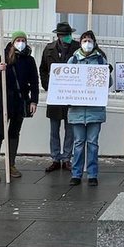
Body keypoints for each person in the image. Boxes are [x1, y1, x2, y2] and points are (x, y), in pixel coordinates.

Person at [0, 30, 40, 182]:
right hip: (3, 101)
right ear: (12, 42)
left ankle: (10, 164)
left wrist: (34, 101)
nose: (21, 43)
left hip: (20, 101)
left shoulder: (29, 60)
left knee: (14, 133)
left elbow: (35, 82)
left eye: (23, 40)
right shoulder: (4, 57)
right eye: (18, 40)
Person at [68, 30, 109, 186]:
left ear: (94, 43)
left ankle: (92, 174)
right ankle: (76, 174)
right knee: (78, 143)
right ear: (80, 43)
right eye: (84, 40)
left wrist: (107, 74)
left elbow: (108, 84)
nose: (87, 43)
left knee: (92, 143)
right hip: (77, 109)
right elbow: (65, 82)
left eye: (89, 40)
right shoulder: (73, 60)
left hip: (94, 109)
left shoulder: (100, 60)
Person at [40, 21, 77, 173]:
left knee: (70, 129)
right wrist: (47, 85)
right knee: (54, 129)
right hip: (55, 95)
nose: (66, 37)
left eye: (68, 35)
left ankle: (67, 158)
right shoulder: (49, 49)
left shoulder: (77, 48)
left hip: (72, 94)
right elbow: (42, 69)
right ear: (58, 36)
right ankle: (55, 157)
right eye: (63, 35)